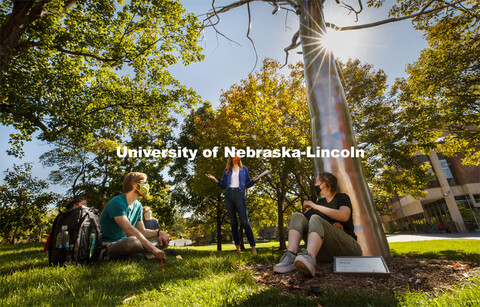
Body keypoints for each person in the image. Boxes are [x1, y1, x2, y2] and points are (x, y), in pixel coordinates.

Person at [273, 172, 362, 277]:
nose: (314, 185)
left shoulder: (342, 197)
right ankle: (291, 256)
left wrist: (315, 206)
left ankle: (309, 258)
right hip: (326, 253)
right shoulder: (320, 202)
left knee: (316, 218)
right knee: (297, 216)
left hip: (349, 249)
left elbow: (344, 216)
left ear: (323, 184)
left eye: (316, 182)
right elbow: (301, 224)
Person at [99, 172, 169, 261]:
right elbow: (128, 229)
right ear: (135, 185)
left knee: (160, 240)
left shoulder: (138, 205)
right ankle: (106, 255)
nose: (147, 186)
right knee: (133, 241)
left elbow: (142, 231)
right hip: (107, 245)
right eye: (145, 183)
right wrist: (153, 248)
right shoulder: (116, 202)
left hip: (124, 243)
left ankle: (133, 255)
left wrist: (159, 233)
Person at [206, 154, 259, 255]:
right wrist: (214, 179)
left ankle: (253, 248)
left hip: (239, 194)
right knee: (234, 223)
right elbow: (223, 185)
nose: (236, 158)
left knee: (245, 223)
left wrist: (254, 180)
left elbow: (247, 184)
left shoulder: (244, 169)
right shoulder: (227, 170)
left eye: (237, 156)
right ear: (231, 158)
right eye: (233, 156)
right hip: (229, 195)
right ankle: (238, 248)